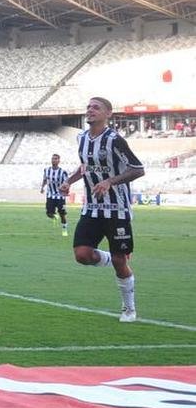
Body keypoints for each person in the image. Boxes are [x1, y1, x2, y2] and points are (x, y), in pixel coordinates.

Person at [59, 97, 145, 323]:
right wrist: (69, 181)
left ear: (108, 113)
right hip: (92, 209)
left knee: (120, 263)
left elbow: (137, 169)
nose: (90, 110)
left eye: (96, 107)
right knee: (82, 255)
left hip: (117, 210)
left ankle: (129, 309)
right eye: (88, 107)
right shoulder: (81, 138)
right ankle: (112, 257)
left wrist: (110, 182)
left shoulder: (115, 140)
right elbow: (85, 167)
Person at [40, 153, 69, 235]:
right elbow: (45, 179)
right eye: (53, 158)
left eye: (56, 159)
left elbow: (67, 183)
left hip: (60, 196)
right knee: (49, 213)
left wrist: (65, 191)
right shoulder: (47, 170)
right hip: (50, 195)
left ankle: (64, 231)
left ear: (59, 161)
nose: (54, 160)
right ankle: (55, 217)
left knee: (62, 214)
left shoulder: (63, 172)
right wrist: (42, 187)